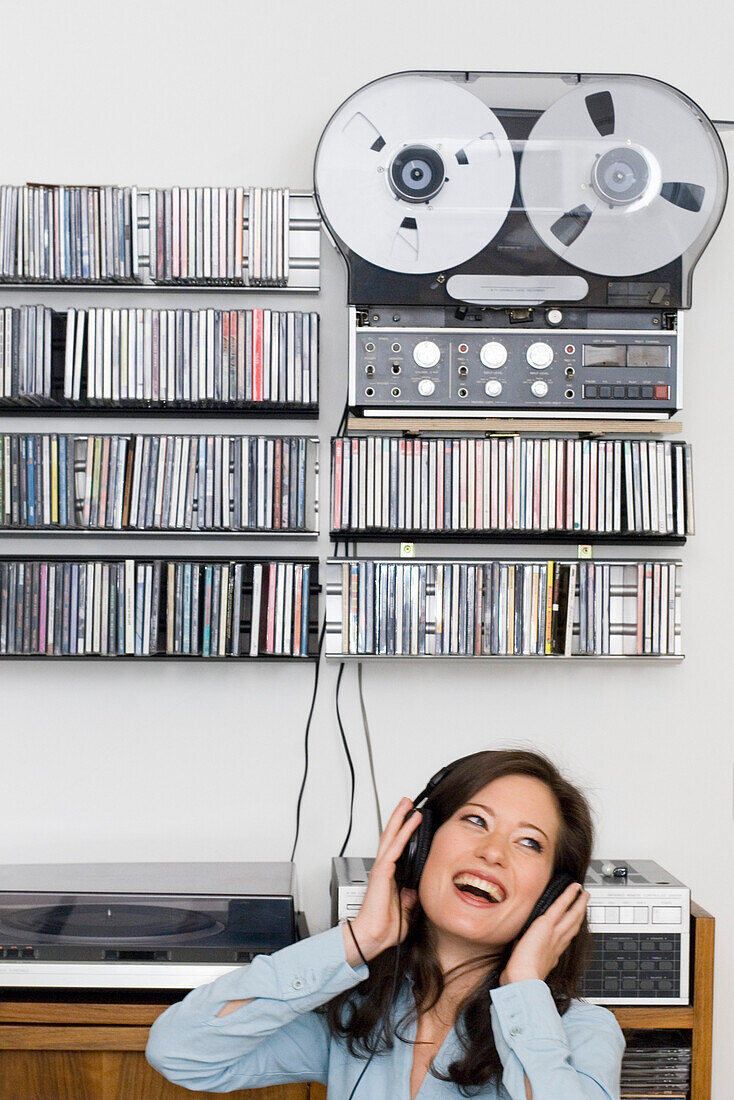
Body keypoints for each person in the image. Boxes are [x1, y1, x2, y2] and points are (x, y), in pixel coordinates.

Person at [146, 749, 624, 1097]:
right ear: (419, 845)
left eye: (529, 843)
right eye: (476, 821)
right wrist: (359, 939)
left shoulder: (582, 1033)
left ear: (553, 898)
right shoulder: (356, 1016)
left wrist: (523, 988)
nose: (492, 853)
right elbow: (180, 1050)